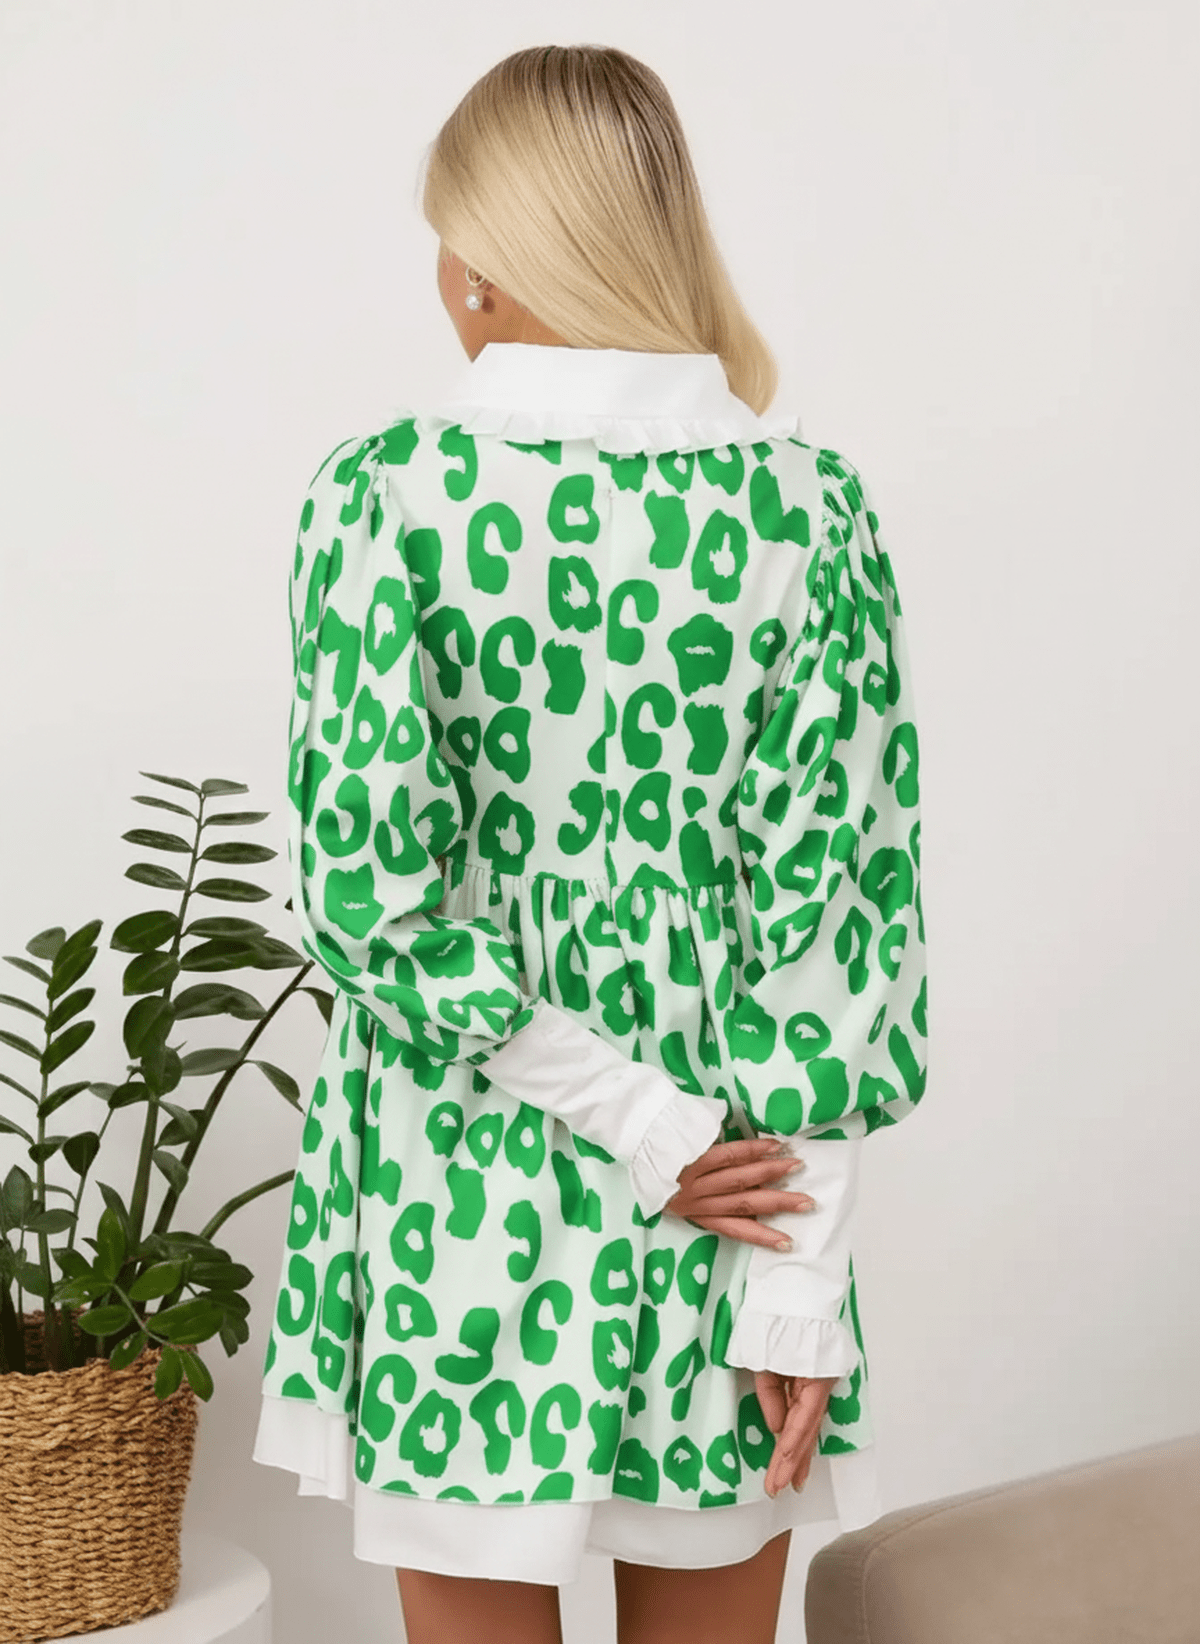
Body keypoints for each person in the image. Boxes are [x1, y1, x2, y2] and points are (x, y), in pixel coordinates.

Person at [253, 43, 927, 1644]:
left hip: (458, 1188)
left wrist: (639, 1123)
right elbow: (841, 911)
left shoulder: (385, 498)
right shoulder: (806, 510)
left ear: (485, 261)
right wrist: (791, 1276)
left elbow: (369, 897)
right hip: (733, 1198)